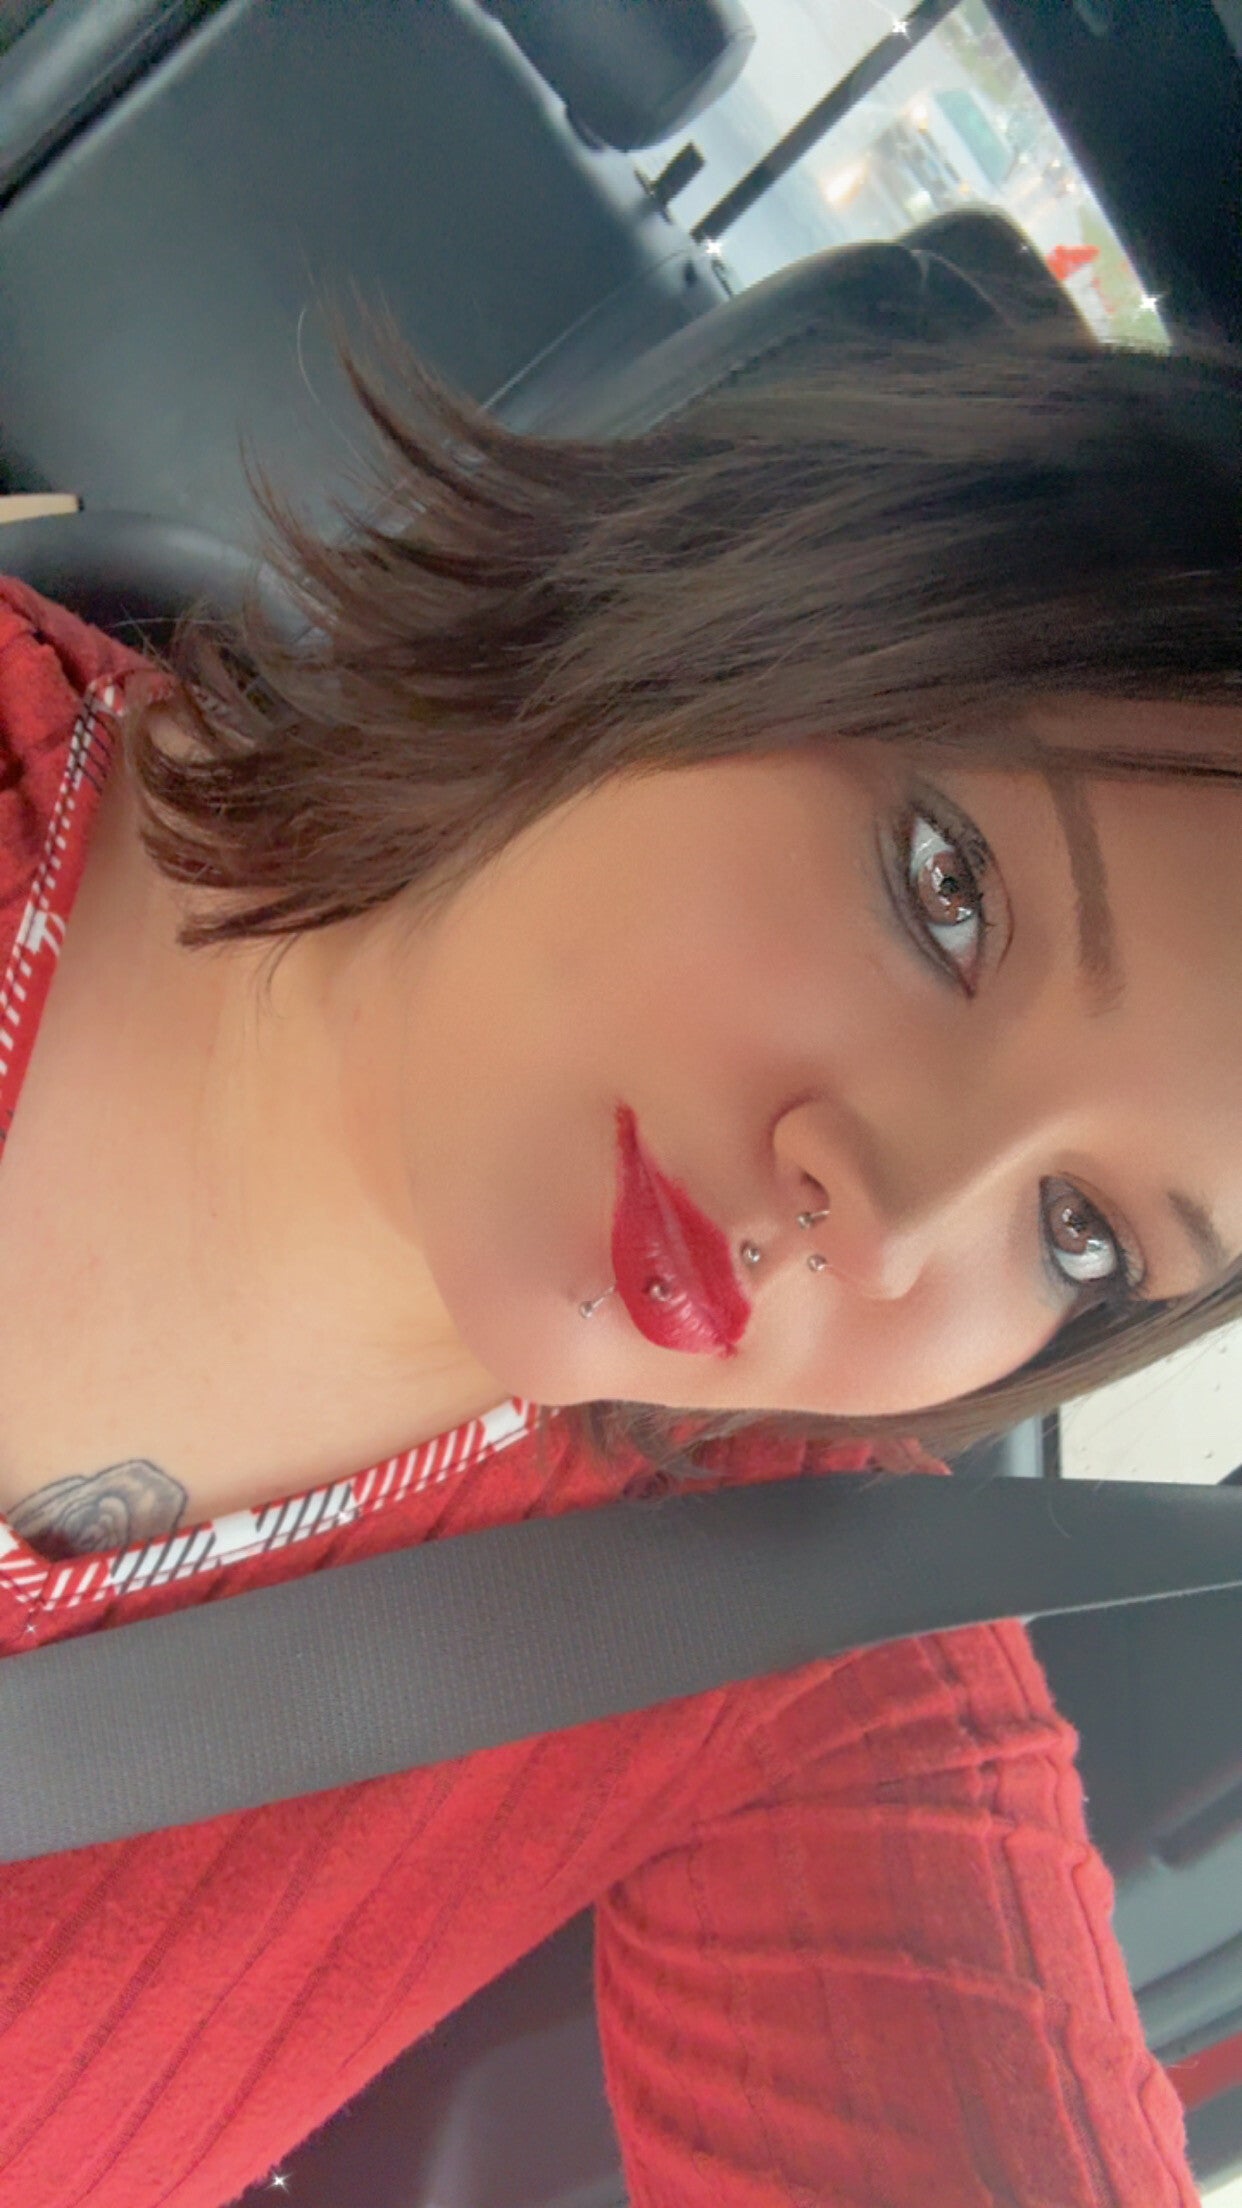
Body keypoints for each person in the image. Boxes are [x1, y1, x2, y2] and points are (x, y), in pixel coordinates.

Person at [0, 313, 1237, 2208]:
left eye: (1079, 1233)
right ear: (750, 595)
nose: (886, 1217)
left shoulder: (790, 1651)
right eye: (947, 892)